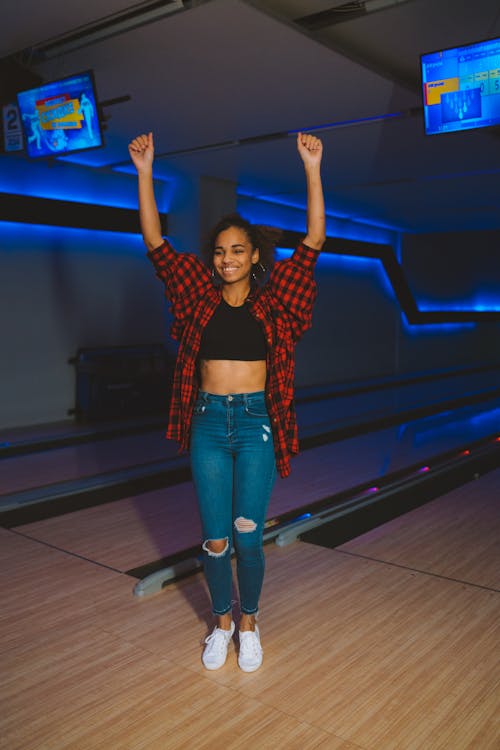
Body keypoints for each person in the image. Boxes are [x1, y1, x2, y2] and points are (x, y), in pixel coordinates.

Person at [128, 130, 325, 672]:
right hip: (209, 424)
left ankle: (250, 623)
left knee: (248, 538)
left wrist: (312, 169)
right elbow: (155, 244)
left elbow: (313, 240)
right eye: (219, 251)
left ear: (254, 254)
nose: (227, 258)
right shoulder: (196, 291)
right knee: (215, 541)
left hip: (257, 423)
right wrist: (146, 174)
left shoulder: (276, 295)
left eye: (238, 250)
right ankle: (220, 624)